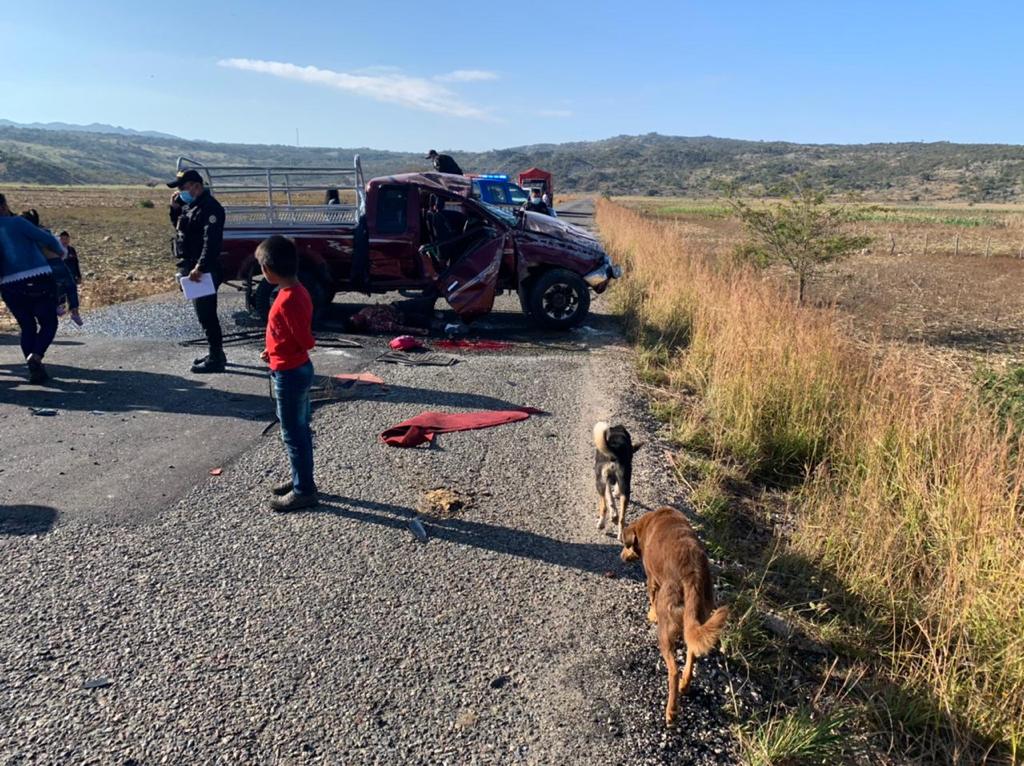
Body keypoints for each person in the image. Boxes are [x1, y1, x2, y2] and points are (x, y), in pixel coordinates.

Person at [256, 235, 318, 512]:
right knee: (297, 428)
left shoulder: (288, 300)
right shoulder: (293, 291)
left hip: (291, 372)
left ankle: (304, 490)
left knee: (294, 433)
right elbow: (283, 334)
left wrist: (282, 352)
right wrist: (271, 350)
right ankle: (300, 479)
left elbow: (303, 339)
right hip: (290, 366)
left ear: (268, 270)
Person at [167, 168, 227, 373]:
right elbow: (181, 229)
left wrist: (200, 267)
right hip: (193, 266)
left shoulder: (210, 208)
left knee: (207, 314)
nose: (181, 192)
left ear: (196, 186)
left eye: (183, 188)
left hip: (204, 269)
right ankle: (215, 352)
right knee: (203, 313)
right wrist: (175, 209)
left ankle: (216, 359)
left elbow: (212, 243)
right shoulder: (191, 206)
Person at [0, 193, 64, 383]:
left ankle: (35, 370)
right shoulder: (17, 223)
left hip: (9, 285)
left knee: (27, 326)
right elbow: (45, 238)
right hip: (38, 278)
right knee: (49, 322)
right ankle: (36, 357)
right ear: (3, 206)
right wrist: (60, 252)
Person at [21, 210, 82, 327]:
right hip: (55, 261)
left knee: (52, 286)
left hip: (39, 265)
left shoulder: (26, 236)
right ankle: (74, 312)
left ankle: (56, 307)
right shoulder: (43, 232)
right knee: (69, 285)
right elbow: (58, 248)